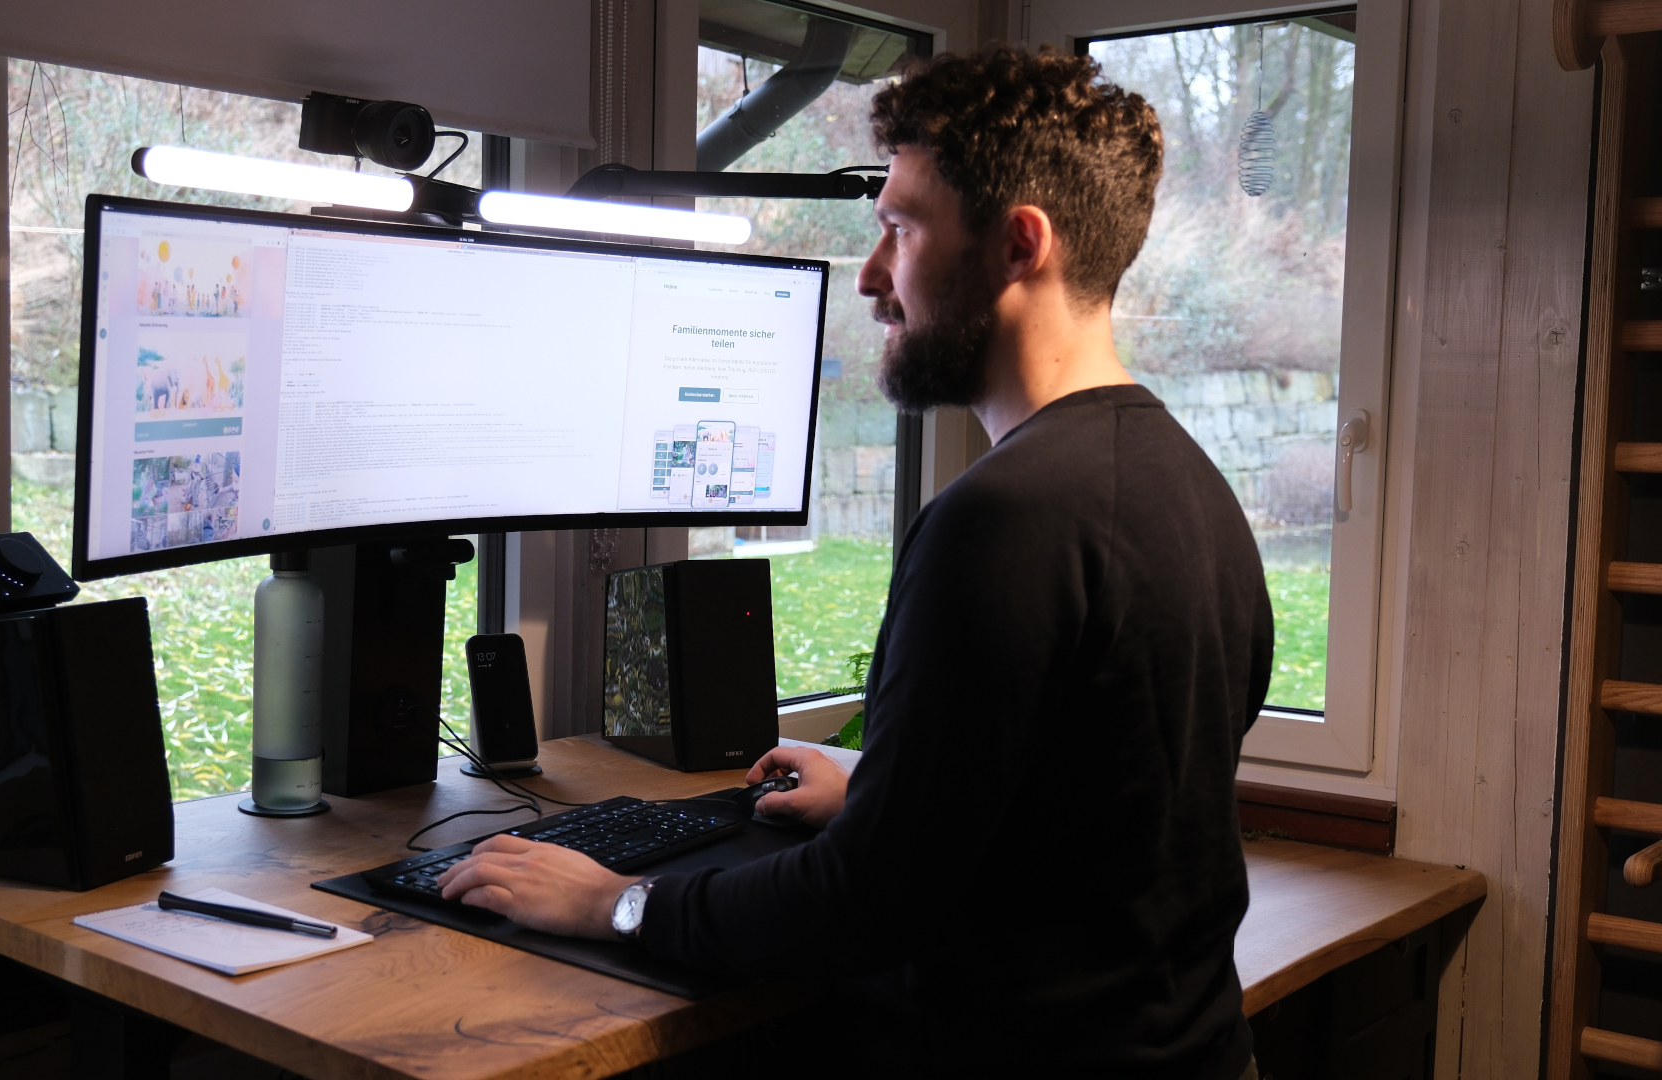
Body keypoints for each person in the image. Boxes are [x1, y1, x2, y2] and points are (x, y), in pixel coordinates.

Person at [438, 46, 1272, 1078]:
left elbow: (861, 906)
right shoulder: (1188, 485)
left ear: (1019, 245)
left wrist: (615, 901)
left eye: (900, 227)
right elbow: (1103, 803)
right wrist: (886, 785)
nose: (874, 277)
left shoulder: (1002, 521)